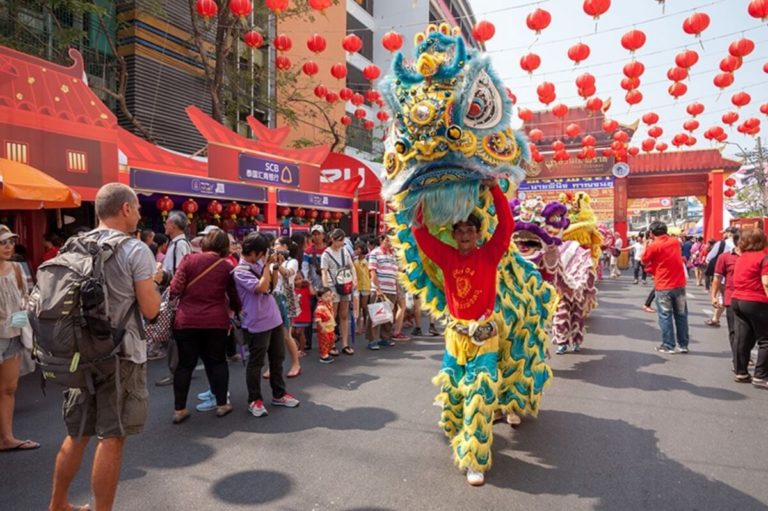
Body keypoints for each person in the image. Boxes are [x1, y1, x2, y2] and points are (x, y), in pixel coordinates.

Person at [48, 183, 161, 511]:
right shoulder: (136, 250)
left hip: (77, 352)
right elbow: (151, 310)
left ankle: (57, 504)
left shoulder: (72, 244)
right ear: (125, 209)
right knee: (112, 437)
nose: (139, 214)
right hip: (119, 355)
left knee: (78, 433)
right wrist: (155, 282)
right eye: (138, 208)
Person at [411, 178, 512, 486]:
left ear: (478, 234)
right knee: (454, 393)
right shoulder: (447, 256)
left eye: (471, 230)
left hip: (485, 337)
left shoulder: (490, 253)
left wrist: (494, 189)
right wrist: (421, 195)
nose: (466, 235)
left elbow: (506, 224)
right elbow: (419, 232)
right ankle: (460, 432)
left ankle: (475, 459)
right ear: (454, 235)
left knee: (479, 396)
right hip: (455, 337)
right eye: (460, 231)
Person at [169, 229, 240, 423]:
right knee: (217, 362)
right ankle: (221, 404)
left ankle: (179, 409)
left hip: (186, 320)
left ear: (204, 243)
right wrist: (237, 310)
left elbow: (175, 289)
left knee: (185, 365)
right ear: (225, 247)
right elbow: (234, 296)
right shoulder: (226, 267)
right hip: (215, 321)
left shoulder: (188, 260)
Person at [233, 233, 299, 417]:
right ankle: (255, 400)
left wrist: (274, 268)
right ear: (255, 252)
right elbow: (261, 287)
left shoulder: (261, 264)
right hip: (256, 322)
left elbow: (271, 286)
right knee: (256, 363)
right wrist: (267, 266)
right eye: (263, 253)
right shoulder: (240, 271)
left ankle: (279, 394)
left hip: (273, 318)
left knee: (277, 358)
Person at [0, 226, 38, 453]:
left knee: (9, 388)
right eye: (2, 242)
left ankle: (7, 437)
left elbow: (28, 298)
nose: (7, 246)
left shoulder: (16, 268)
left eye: (10, 242)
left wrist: (23, 319)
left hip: (14, 334)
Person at [152, 211, 192, 380]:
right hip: (174, 293)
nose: (165, 226)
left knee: (175, 335)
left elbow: (181, 273)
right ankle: (180, 370)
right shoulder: (176, 244)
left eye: (167, 223)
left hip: (176, 295)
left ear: (174, 226)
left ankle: (177, 372)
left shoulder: (179, 245)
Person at [642, 221, 689, 354]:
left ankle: (668, 345)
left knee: (665, 315)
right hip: (679, 285)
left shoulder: (654, 245)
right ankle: (683, 344)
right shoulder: (674, 241)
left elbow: (644, 260)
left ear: (651, 233)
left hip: (663, 285)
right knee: (681, 315)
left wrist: (646, 243)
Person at [730, 228, 768, 386]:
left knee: (742, 338)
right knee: (765, 340)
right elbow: (766, 282)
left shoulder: (741, 258)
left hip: (737, 299)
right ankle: (760, 375)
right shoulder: (763, 258)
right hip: (756, 300)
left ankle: (741, 372)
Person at [320, 228, 357, 356]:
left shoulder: (344, 251)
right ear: (333, 240)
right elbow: (324, 272)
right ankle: (332, 344)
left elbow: (351, 265)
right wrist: (326, 289)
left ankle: (345, 344)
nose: (342, 243)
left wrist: (355, 279)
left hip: (345, 285)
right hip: (333, 286)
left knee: (344, 315)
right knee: (332, 316)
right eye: (340, 241)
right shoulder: (326, 254)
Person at [269, 236, 301, 378]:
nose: (274, 247)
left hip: (286, 298)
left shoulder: (292, 261)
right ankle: (273, 366)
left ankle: (296, 364)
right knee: (270, 335)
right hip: (271, 298)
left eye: (276, 244)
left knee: (286, 335)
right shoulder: (271, 260)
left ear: (285, 247)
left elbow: (287, 275)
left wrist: (277, 264)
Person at [711, 230, 741, 372]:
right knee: (734, 331)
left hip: (753, 300)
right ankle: (739, 361)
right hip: (731, 298)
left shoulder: (759, 257)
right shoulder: (725, 257)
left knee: (752, 334)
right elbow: (717, 277)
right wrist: (714, 296)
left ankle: (743, 354)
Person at [366, 232, 399, 351]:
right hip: (379, 289)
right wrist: (378, 288)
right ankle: (372, 339)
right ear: (381, 240)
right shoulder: (375, 253)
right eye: (387, 241)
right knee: (376, 314)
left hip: (391, 288)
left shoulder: (393, 254)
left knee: (388, 315)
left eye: (391, 241)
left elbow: (397, 271)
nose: (389, 243)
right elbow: (372, 272)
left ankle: (385, 337)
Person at [301, 225, 326, 351]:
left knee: (326, 315)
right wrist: (308, 283)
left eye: (318, 234)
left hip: (326, 288)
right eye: (314, 234)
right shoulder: (308, 251)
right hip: (312, 287)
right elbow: (304, 268)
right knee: (309, 315)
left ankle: (327, 340)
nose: (316, 237)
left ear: (323, 235)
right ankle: (307, 342)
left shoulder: (328, 250)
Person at [291, 271, 312, 358]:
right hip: (295, 315)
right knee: (292, 333)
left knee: (300, 332)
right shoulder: (292, 290)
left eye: (300, 278)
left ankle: (302, 350)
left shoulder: (306, 288)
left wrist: (309, 284)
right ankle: (298, 344)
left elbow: (313, 293)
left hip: (304, 315)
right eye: (296, 280)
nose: (298, 281)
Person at [314, 286, 337, 364]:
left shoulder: (328, 304)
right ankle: (323, 355)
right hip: (324, 328)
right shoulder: (320, 307)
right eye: (326, 296)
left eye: (329, 296)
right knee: (324, 341)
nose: (328, 298)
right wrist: (322, 327)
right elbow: (318, 320)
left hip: (330, 327)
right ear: (320, 298)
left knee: (332, 339)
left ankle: (327, 351)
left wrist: (332, 296)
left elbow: (332, 298)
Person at [354, 241, 371, 332]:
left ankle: (365, 323)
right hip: (357, 286)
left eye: (358, 249)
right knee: (358, 307)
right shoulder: (355, 261)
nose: (356, 250)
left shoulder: (367, 260)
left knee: (364, 306)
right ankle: (358, 326)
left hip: (366, 286)